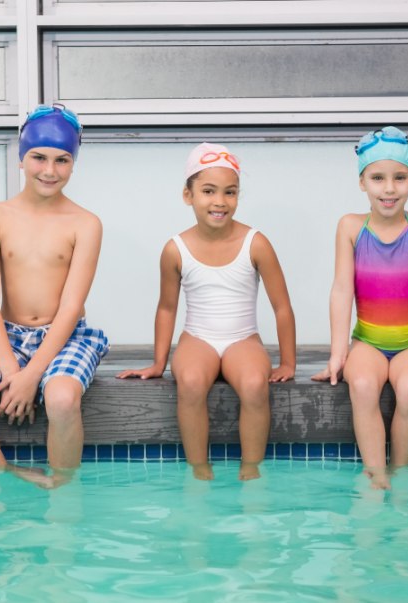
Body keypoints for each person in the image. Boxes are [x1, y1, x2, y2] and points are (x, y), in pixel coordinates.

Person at [0, 104, 108, 489]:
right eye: (39, 158)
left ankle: (63, 489)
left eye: (62, 160)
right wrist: (11, 370)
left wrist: (31, 375)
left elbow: (71, 307)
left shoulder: (85, 224)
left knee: (62, 399)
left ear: (74, 164)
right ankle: (6, 477)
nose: (49, 170)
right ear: (21, 159)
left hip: (65, 337)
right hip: (7, 336)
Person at [117, 143, 296, 481]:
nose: (219, 201)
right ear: (188, 195)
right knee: (192, 381)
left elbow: (282, 306)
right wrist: (159, 362)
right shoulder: (176, 249)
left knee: (256, 384)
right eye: (208, 191)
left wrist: (288, 362)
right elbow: (167, 308)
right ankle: (199, 469)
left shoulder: (255, 243)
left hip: (243, 340)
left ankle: (251, 468)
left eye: (230, 192)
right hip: (198, 339)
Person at [313, 126, 408, 490]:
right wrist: (338, 353)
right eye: (378, 178)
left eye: (399, 178)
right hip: (368, 344)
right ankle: (376, 477)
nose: (389, 189)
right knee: (360, 384)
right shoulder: (350, 227)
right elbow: (342, 290)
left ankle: (401, 474)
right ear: (362, 182)